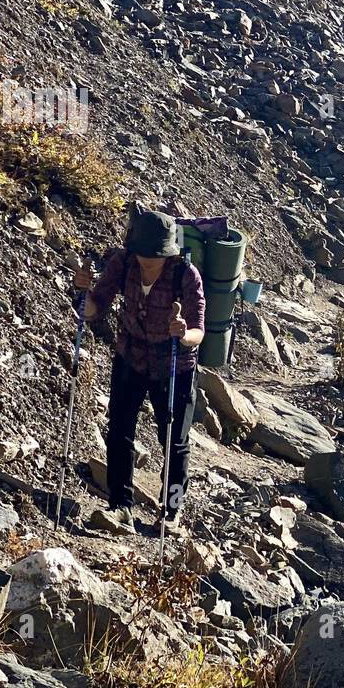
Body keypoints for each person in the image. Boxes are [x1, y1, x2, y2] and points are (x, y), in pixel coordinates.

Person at [73, 210, 205, 535]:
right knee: (119, 430)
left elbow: (199, 331)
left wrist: (182, 332)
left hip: (175, 365)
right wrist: (82, 292)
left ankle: (171, 509)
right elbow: (92, 310)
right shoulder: (123, 262)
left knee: (174, 440)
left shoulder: (186, 276)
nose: (147, 261)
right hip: (130, 356)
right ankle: (120, 505)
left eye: (155, 255)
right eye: (143, 253)